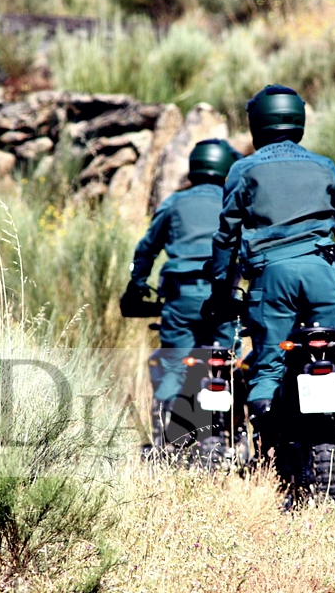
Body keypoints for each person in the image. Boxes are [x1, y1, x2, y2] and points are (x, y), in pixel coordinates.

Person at [204, 84, 335, 454]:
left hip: (273, 279)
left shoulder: (243, 169)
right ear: (298, 121)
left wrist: (221, 292)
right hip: (324, 277)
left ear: (257, 125)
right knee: (333, 355)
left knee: (268, 367)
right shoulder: (323, 165)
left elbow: (225, 238)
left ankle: (274, 447)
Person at [121, 138, 244, 455]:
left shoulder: (174, 203)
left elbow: (146, 248)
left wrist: (137, 283)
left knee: (174, 366)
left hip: (180, 299)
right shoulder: (235, 202)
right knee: (227, 362)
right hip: (224, 298)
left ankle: (166, 443)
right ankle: (235, 435)